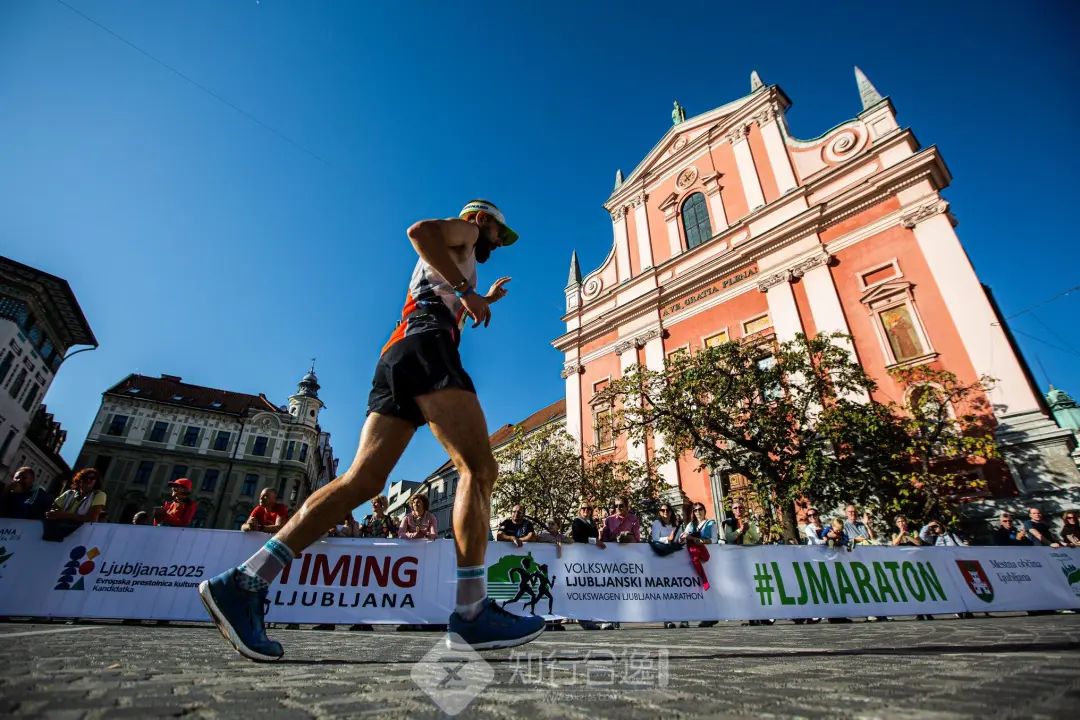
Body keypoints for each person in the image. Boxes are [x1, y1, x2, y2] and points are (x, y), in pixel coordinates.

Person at [198, 199, 544, 661]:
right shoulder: (467, 230)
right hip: (426, 346)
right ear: (483, 220)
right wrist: (466, 292)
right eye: (501, 233)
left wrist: (477, 295)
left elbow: (434, 276)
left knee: (362, 481)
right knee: (478, 469)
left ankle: (245, 581)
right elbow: (418, 230)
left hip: (399, 353)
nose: (500, 244)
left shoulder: (459, 256)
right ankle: (471, 611)